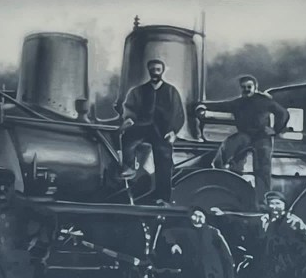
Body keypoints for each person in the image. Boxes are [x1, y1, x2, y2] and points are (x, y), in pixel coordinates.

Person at [195, 75, 290, 198]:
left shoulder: (265, 101)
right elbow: (222, 106)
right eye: (243, 87)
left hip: (262, 136)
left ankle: (263, 196)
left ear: (255, 87)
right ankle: (218, 174)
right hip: (245, 135)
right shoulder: (238, 103)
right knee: (228, 146)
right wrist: (202, 106)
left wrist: (275, 130)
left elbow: (283, 113)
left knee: (263, 165)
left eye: (249, 87)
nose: (246, 89)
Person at [119, 58, 186, 200]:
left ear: (162, 71)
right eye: (152, 70)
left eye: (158, 70)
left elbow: (178, 113)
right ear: (149, 71)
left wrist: (173, 131)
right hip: (142, 127)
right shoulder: (138, 91)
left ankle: (163, 198)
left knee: (164, 162)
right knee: (127, 139)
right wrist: (129, 119)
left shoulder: (171, 91)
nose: (155, 72)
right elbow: (129, 108)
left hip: (162, 131)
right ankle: (129, 168)